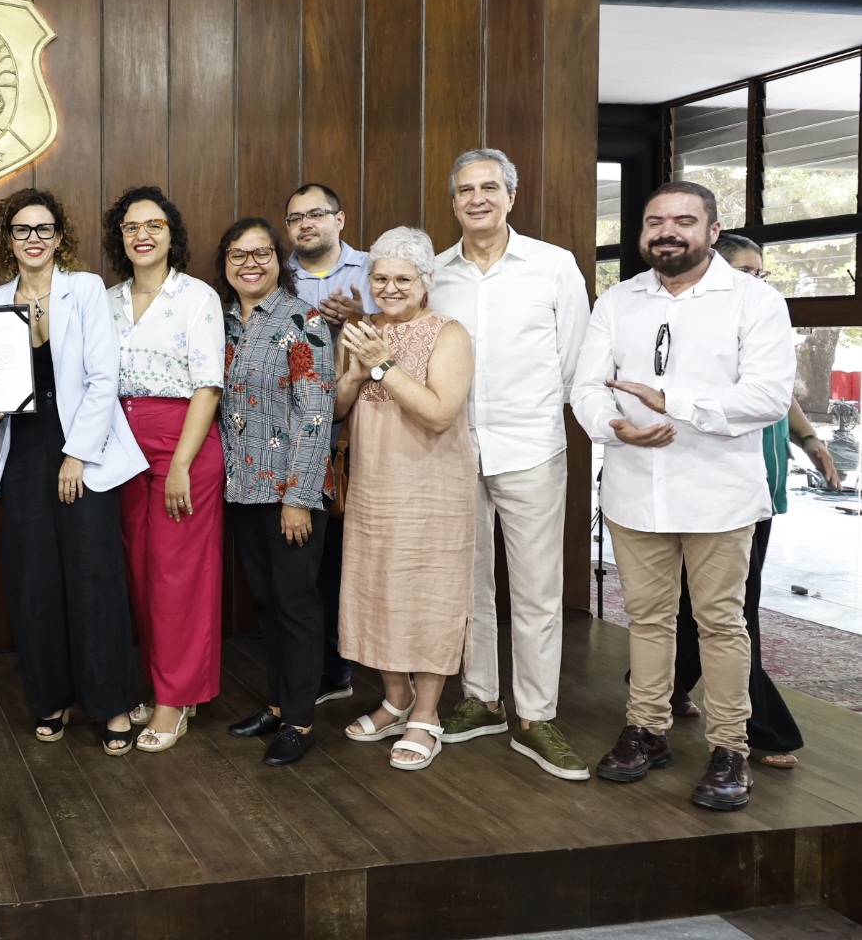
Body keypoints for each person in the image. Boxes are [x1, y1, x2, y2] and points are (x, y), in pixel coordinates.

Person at [572, 181, 794, 811]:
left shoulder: (753, 301)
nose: (666, 231)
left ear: (712, 231)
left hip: (718, 492)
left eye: (683, 221)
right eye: (654, 222)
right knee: (646, 619)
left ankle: (730, 749)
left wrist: (673, 403)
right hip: (634, 488)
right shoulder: (618, 301)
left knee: (721, 623)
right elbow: (586, 385)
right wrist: (614, 426)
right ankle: (647, 730)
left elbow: (769, 397)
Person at [429, 148, 593, 782]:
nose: (477, 198)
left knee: (536, 589)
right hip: (453, 452)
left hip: (531, 449)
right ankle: (482, 698)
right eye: (465, 189)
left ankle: (536, 715)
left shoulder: (554, 267)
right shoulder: (436, 274)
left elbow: (576, 363)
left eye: (489, 187)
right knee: (469, 585)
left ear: (510, 196)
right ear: (453, 202)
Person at [0, 188, 147, 755]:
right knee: (33, 581)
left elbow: (104, 377)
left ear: (60, 237)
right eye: (22, 230)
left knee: (95, 577)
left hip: (83, 448)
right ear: (9, 239)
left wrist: (77, 454)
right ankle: (49, 698)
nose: (33, 240)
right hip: (23, 447)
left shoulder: (85, 288)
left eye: (44, 229)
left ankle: (112, 705)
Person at [669, 231, 838, 771]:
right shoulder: (706, 327)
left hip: (760, 490)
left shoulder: (759, 321)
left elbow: (779, 393)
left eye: (761, 272)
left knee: (709, 607)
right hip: (713, 489)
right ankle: (758, 729)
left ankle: (665, 685)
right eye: (746, 270)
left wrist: (810, 440)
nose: (757, 281)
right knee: (734, 614)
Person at [334, 226, 476, 771]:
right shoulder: (363, 328)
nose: (390, 288)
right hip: (373, 484)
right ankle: (396, 699)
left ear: (426, 281)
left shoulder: (449, 333)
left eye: (402, 279)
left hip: (432, 485)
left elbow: (440, 413)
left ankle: (429, 714)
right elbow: (343, 404)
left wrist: (382, 364)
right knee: (378, 590)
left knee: (429, 593)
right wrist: (356, 366)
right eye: (380, 278)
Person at [103, 186, 226, 753]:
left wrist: (179, 465)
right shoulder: (106, 299)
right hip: (122, 446)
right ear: (120, 238)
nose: (142, 234)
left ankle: (176, 701)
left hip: (183, 445)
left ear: (172, 235)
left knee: (179, 576)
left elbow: (207, 386)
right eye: (131, 227)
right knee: (140, 571)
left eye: (154, 224)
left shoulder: (197, 296)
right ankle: (160, 686)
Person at [215, 217, 336, 767]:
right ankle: (280, 705)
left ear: (278, 258)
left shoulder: (300, 320)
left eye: (261, 253)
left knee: (297, 607)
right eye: (238, 255)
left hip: (290, 492)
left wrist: (298, 497)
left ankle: (303, 720)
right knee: (267, 604)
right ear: (225, 263)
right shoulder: (223, 325)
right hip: (242, 490)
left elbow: (317, 414)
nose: (250, 263)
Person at [282, 182, 380, 709]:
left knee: (355, 555)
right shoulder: (277, 273)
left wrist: (361, 320)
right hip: (296, 434)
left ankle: (356, 668)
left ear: (340, 219)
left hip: (362, 431)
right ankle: (323, 668)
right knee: (311, 560)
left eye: (315, 214)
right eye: (295, 218)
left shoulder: (372, 268)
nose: (305, 225)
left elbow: (408, 327)